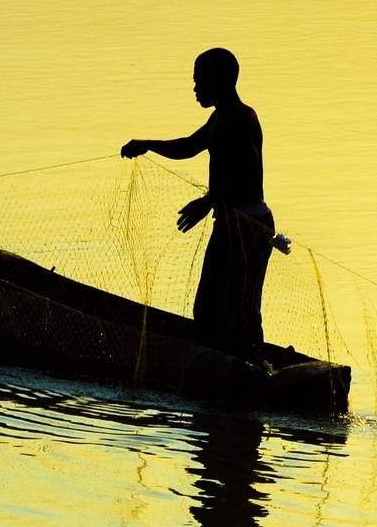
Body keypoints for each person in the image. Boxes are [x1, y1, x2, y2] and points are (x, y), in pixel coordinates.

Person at [121, 48, 288, 361]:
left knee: (237, 308)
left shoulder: (239, 118)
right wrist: (148, 146)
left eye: (200, 81)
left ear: (220, 81)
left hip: (246, 226)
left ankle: (248, 370)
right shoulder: (222, 117)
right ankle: (227, 366)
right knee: (211, 306)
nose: (195, 87)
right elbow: (189, 146)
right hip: (232, 223)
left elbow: (245, 174)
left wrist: (207, 202)